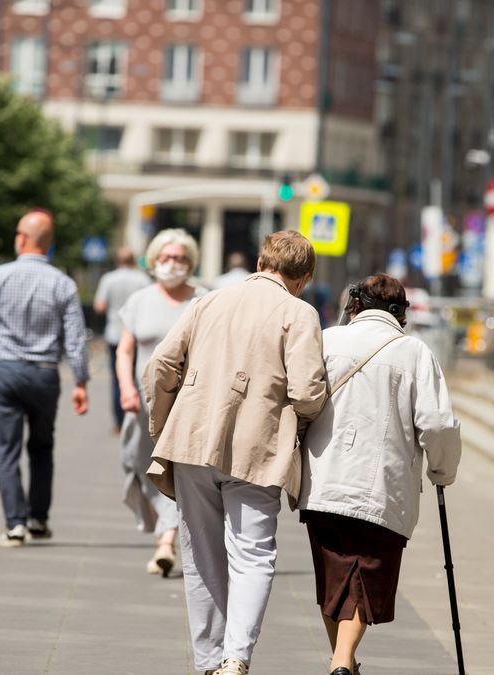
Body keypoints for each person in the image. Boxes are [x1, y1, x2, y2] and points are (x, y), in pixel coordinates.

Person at [144, 231, 328, 675]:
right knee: (252, 554)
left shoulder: (208, 301)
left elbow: (162, 366)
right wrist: (299, 419)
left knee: (202, 555)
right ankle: (235, 657)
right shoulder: (299, 313)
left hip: (191, 441)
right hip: (257, 448)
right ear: (301, 278)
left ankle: (207, 659)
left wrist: (165, 424)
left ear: (262, 261)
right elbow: (307, 392)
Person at [298, 274, 461, 675]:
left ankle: (345, 663)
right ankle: (341, 663)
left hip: (324, 480)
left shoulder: (326, 340)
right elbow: (438, 424)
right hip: (383, 488)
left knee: (334, 578)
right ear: (401, 313)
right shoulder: (414, 352)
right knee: (365, 577)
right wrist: (442, 471)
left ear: (354, 305)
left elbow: (300, 400)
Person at [0, 209, 91, 548]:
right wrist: (81, 381)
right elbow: (75, 338)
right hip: (45, 374)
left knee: (6, 450)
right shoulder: (64, 283)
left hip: (5, 371)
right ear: (49, 244)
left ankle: (14, 524)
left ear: (22, 238)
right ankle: (38, 519)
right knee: (42, 447)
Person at [116, 230, 204, 576]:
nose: (172, 264)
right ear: (153, 261)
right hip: (140, 404)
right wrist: (125, 388)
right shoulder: (139, 300)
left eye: (180, 258)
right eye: (166, 258)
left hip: (186, 405)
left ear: (191, 263)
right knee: (135, 464)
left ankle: (166, 540)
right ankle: (162, 530)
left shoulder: (203, 300)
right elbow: (125, 350)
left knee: (174, 470)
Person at [94, 246, 151, 433]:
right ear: (133, 260)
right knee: (138, 376)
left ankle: (119, 422)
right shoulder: (142, 280)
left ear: (117, 260)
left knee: (119, 378)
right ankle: (137, 418)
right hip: (137, 335)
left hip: (115, 334)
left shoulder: (108, 279)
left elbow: (99, 306)